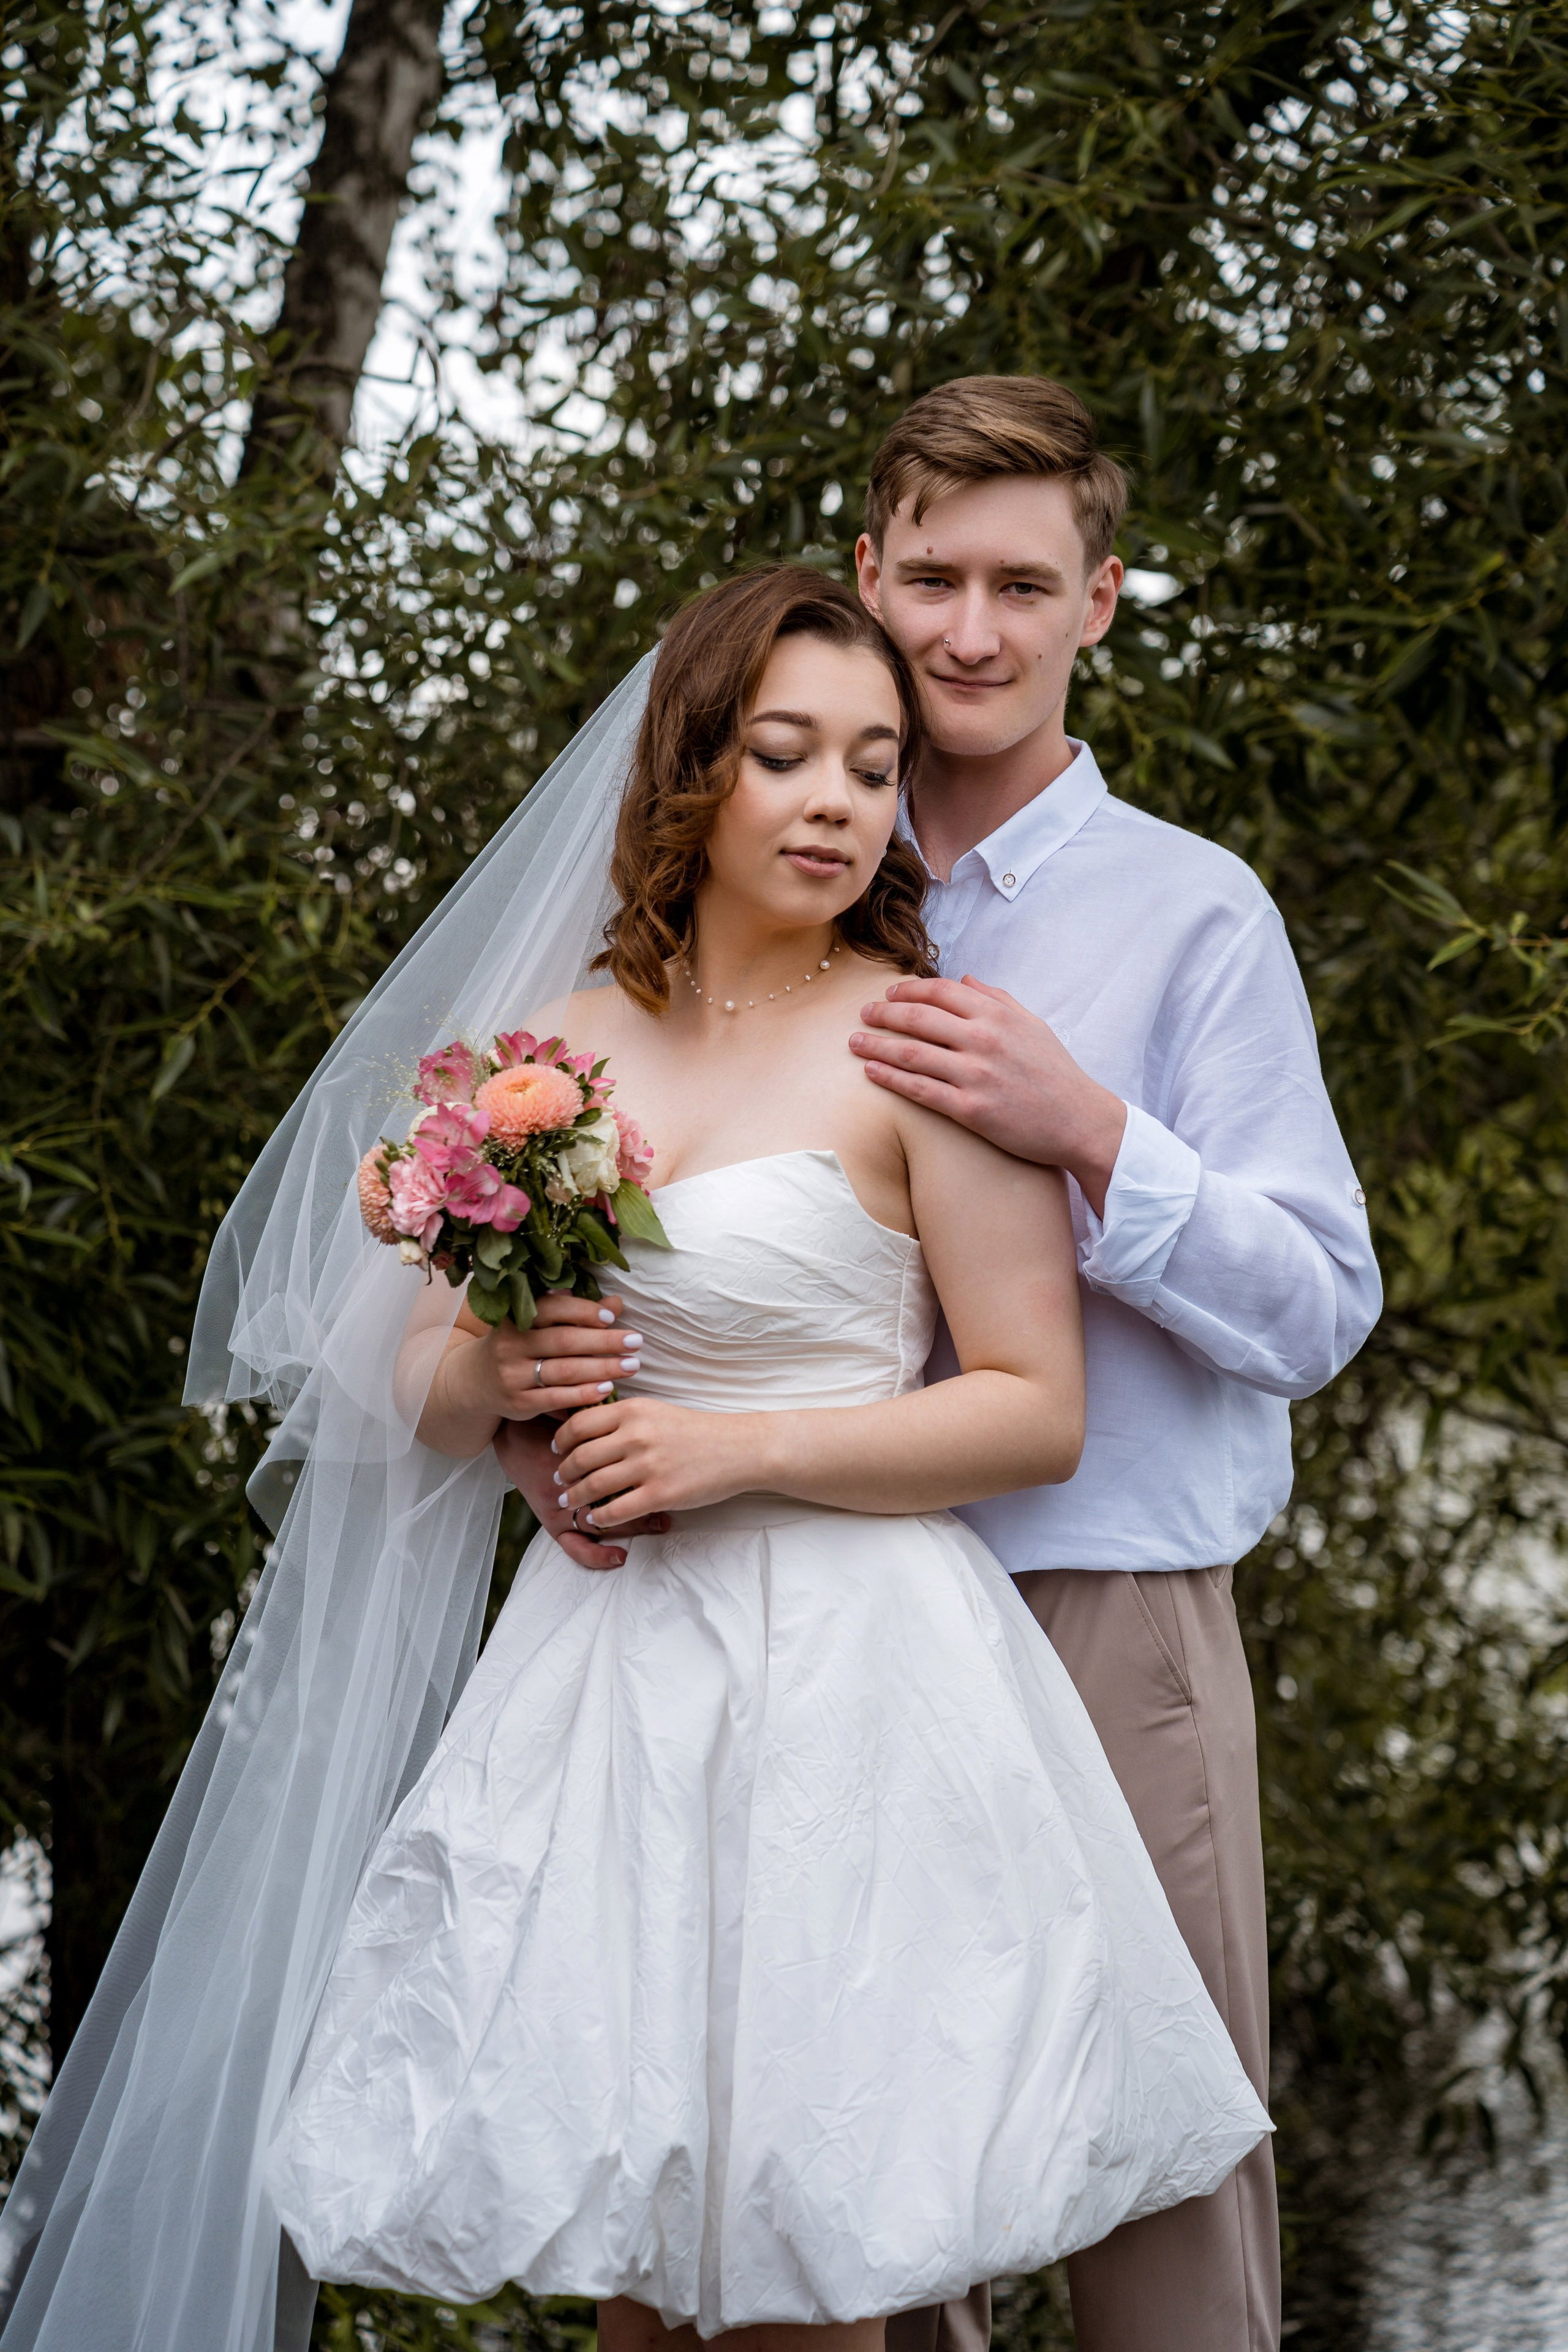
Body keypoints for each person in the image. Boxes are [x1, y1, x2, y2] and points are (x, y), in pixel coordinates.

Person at [263, 567, 1270, 2343]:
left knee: (813, 2260)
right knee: (641, 2273)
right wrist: (495, 1371)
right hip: (615, 1691)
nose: (835, 803)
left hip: (854, 1689)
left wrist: (733, 1451)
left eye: (875, 769)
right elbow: (410, 1371)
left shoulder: (917, 1049)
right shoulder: (547, 1061)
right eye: (788, 755)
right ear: (691, 772)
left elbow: (1035, 1407)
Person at [832, 377, 1379, 2352]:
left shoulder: (1193, 913)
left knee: (1164, 2215)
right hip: (817, 1628)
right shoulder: (781, 876)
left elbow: (1321, 1308)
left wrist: (1094, 1133)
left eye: (1021, 584)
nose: (969, 631)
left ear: (1102, 603)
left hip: (1103, 1619)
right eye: (933, 578)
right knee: (859, 2211)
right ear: (869, 574)